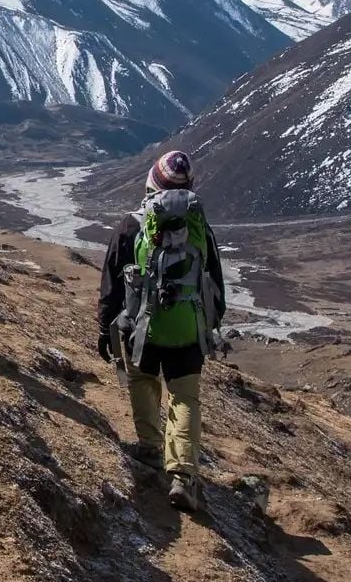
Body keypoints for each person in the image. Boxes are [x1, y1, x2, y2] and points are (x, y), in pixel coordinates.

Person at [96, 150, 226, 513]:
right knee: (185, 399)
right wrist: (209, 323)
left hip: (143, 326)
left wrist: (105, 329)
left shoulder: (131, 225)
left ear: (151, 182)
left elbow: (111, 283)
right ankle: (183, 475)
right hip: (188, 327)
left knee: (142, 381)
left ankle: (150, 448)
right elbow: (214, 280)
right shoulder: (200, 230)